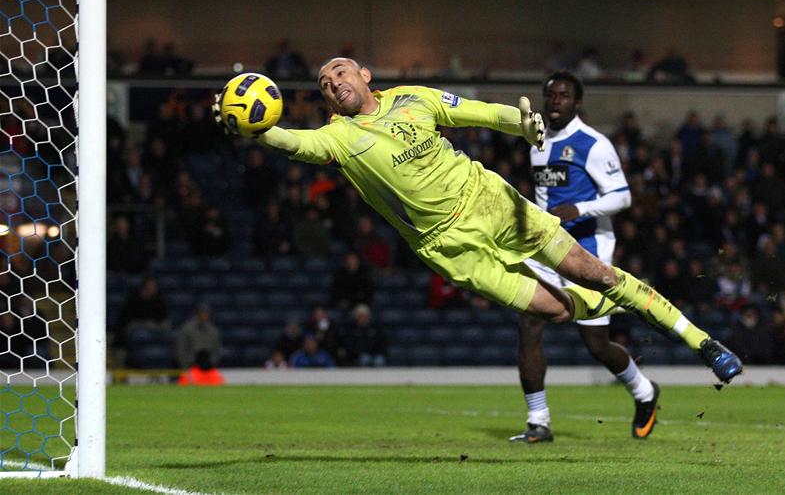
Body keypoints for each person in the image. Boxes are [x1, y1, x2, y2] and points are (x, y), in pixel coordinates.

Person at [212, 57, 742, 386]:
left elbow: (476, 111)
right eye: (325, 81)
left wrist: (521, 122)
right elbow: (294, 143)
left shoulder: (413, 99)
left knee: (593, 270)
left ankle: (704, 344)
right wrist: (255, 130)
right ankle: (613, 305)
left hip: (490, 199)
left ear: (365, 75)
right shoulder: (337, 137)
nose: (333, 81)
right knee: (556, 312)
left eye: (341, 71)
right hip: (448, 246)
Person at [510, 71, 658, 445]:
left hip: (588, 250)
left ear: (577, 103)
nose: (555, 101)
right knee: (529, 324)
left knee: (595, 343)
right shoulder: (537, 141)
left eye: (562, 96)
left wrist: (580, 209)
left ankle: (644, 392)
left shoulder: (594, 144)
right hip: (545, 248)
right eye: (550, 95)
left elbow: (621, 196)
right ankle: (538, 420)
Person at [176, 302, 222, 370]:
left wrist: (211, 365)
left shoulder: (213, 331)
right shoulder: (187, 329)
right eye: (202, 312)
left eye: (206, 313)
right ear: (197, 314)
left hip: (208, 368)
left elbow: (217, 351)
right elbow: (181, 349)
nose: (204, 315)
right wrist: (185, 367)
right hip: (191, 366)